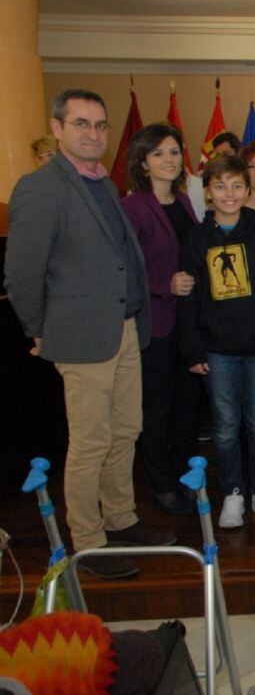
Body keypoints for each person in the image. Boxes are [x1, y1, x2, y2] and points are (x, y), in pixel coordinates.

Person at [5, 89, 172, 579]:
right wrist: (38, 329)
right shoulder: (39, 188)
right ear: (57, 128)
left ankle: (120, 519)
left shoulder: (104, 183)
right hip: (81, 336)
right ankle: (90, 540)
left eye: (100, 125)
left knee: (127, 432)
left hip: (123, 329)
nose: (94, 134)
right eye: (82, 124)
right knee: (91, 442)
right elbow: (21, 273)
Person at [177, 155, 255, 529]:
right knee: (224, 427)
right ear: (207, 192)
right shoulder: (196, 238)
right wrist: (193, 348)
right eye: (220, 186)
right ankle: (232, 493)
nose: (229, 193)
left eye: (236, 185)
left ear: (247, 189)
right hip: (216, 349)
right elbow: (188, 298)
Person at [121, 123, 200, 516]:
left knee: (188, 406)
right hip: (155, 323)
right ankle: (162, 483)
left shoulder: (184, 201)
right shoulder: (133, 206)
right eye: (158, 154)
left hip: (188, 324)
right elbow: (124, 268)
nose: (168, 160)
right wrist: (164, 284)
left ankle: (188, 476)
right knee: (157, 408)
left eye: (173, 152)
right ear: (142, 161)